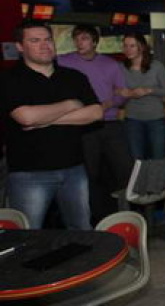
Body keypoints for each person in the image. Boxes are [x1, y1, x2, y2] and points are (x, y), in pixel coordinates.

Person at [0, 21, 103, 229]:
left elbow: (96, 113)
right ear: (20, 46)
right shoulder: (9, 79)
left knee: (82, 231)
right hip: (29, 173)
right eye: (35, 40)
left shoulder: (73, 77)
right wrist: (70, 104)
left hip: (74, 168)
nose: (44, 45)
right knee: (29, 235)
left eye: (48, 39)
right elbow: (26, 118)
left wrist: (45, 119)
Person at [59, 24, 133, 223]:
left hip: (110, 122)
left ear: (94, 42)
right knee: (89, 171)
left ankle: (129, 214)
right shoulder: (64, 61)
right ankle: (94, 216)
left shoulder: (111, 64)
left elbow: (122, 94)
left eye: (84, 38)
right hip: (83, 124)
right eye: (76, 39)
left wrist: (109, 103)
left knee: (124, 168)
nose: (79, 43)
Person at [119, 33, 165, 160]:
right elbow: (114, 90)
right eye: (125, 46)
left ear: (142, 47)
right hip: (132, 119)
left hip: (156, 118)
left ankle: (157, 175)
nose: (128, 49)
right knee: (136, 159)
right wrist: (128, 93)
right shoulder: (121, 68)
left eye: (132, 46)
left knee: (158, 158)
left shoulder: (156, 66)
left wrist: (148, 90)